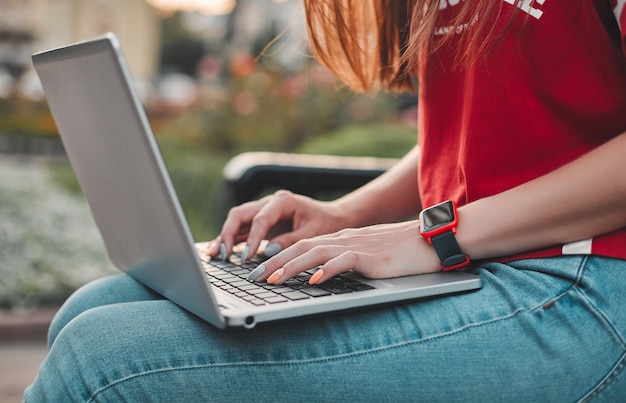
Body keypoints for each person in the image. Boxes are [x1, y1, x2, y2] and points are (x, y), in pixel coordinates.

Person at [26, 0, 626, 401]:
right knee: (94, 306)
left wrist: (435, 235)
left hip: (583, 285)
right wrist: (348, 214)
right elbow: (485, 131)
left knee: (102, 362)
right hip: (479, 264)